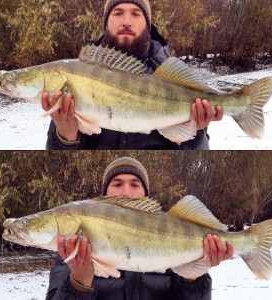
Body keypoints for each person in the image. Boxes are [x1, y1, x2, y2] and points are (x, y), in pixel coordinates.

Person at [42, 0, 224, 150]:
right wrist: (66, 134)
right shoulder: (79, 75)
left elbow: (199, 152)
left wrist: (195, 132)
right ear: (106, 23)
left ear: (148, 24)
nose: (126, 21)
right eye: (118, 13)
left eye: (136, 13)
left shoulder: (167, 75)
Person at [46, 157, 234, 299]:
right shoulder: (72, 251)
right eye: (117, 184)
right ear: (104, 196)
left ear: (146, 194)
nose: (126, 193)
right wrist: (79, 280)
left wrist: (193, 277)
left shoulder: (172, 229)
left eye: (135, 185)